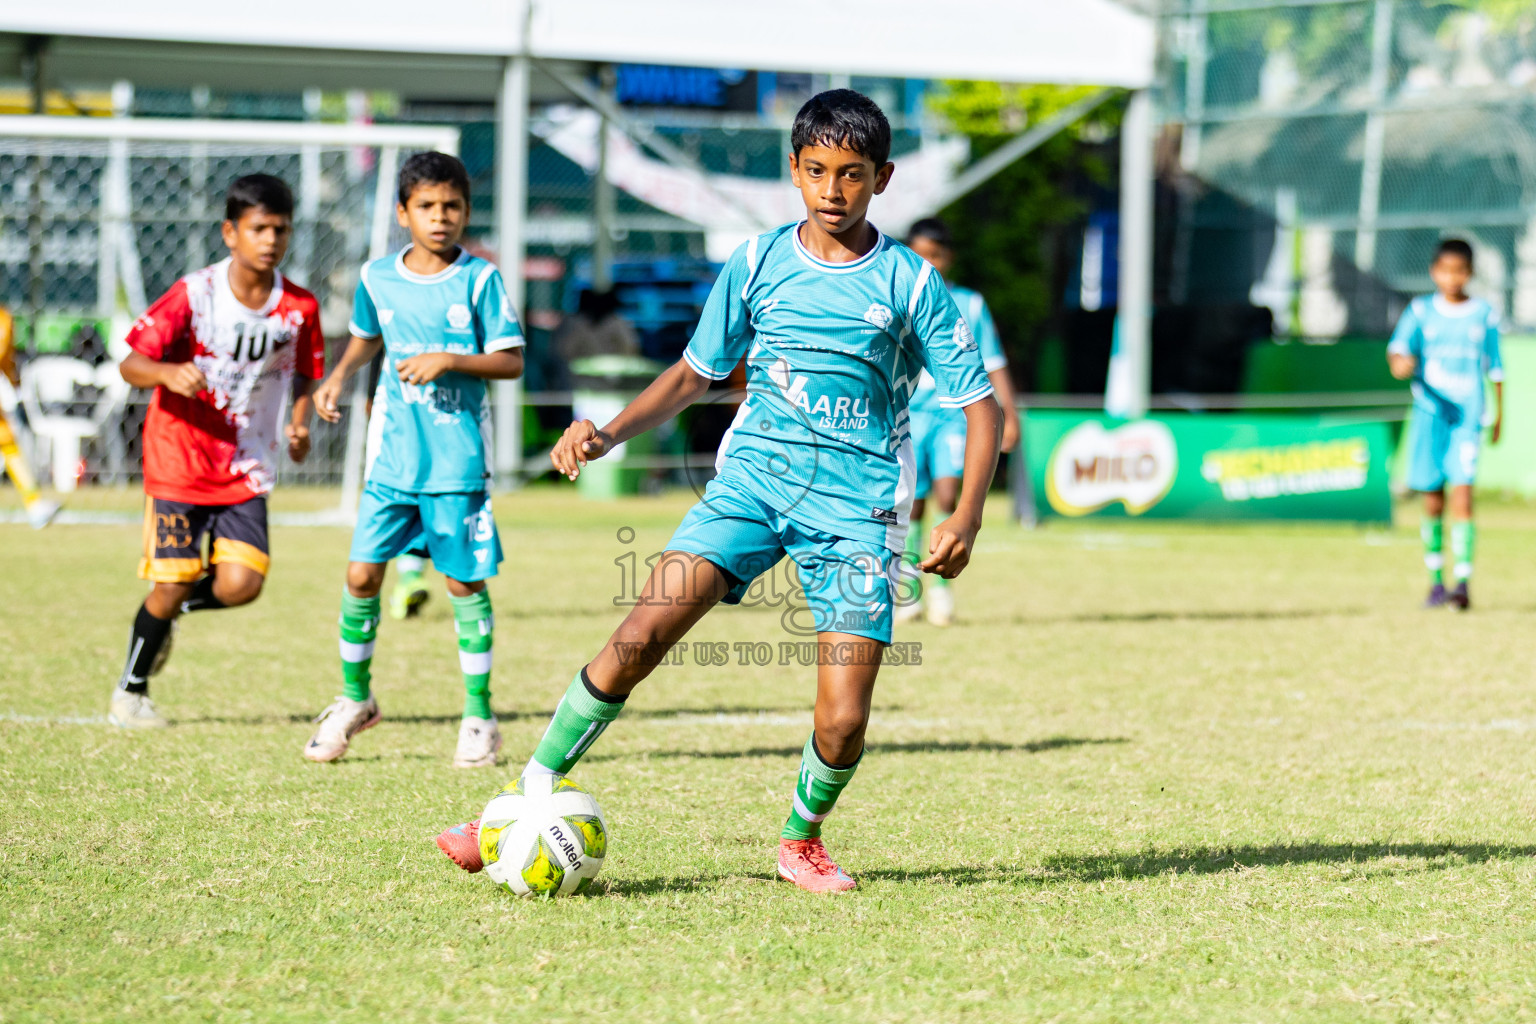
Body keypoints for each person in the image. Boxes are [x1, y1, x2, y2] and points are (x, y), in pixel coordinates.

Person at [433, 90, 1001, 892]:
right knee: (640, 635)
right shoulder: (759, 261)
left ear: (883, 178)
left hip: (856, 515)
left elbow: (982, 407)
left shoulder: (911, 283)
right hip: (751, 487)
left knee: (842, 721)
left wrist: (967, 514)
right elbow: (694, 375)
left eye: (851, 174)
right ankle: (522, 798)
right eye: (815, 172)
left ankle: (801, 840)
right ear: (793, 171)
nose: (832, 191)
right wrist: (607, 432)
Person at [305, 151, 524, 767]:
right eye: (427, 206)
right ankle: (355, 701)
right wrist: (338, 376)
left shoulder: (480, 280)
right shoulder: (378, 277)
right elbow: (367, 335)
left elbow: (511, 361)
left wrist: (450, 359)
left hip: (455, 462)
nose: (440, 217)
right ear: (404, 213)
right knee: (360, 576)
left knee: (461, 582)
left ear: (465, 213)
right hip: (393, 461)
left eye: (452, 206)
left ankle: (480, 716)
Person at [109, 174, 323, 728]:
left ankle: (167, 615)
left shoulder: (299, 308)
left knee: (241, 585)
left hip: (245, 463)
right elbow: (130, 363)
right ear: (231, 232)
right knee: (172, 580)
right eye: (258, 228)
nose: (270, 239)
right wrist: (165, 371)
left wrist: (300, 425)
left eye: (280, 229)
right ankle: (130, 692)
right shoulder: (195, 293)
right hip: (179, 459)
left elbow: (304, 376)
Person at [897, 218, 1020, 626]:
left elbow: (994, 362)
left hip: (954, 415)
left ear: (948, 259)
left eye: (935, 255)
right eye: (919, 254)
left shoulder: (970, 304)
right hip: (910, 413)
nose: (927, 262)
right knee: (910, 506)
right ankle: (909, 590)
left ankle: (943, 592)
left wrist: (1010, 414)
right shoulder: (898, 298)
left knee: (949, 498)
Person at [1387, 237, 1503, 611]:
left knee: (1463, 496)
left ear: (1469, 274)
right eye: (1445, 270)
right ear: (1434, 272)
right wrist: (1399, 363)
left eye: (1460, 271)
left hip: (1467, 417)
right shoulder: (1421, 311)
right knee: (1432, 498)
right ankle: (1436, 580)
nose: (1452, 278)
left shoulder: (1483, 314)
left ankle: (1463, 582)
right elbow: (1398, 350)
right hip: (1429, 416)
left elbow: (1496, 367)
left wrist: (1500, 413)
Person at [0, 304, 60, 530]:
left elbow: (7, 359)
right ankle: (34, 505)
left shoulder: (5, 318)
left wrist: (14, 385)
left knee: (8, 445)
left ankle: (34, 505)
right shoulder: (4, 319)